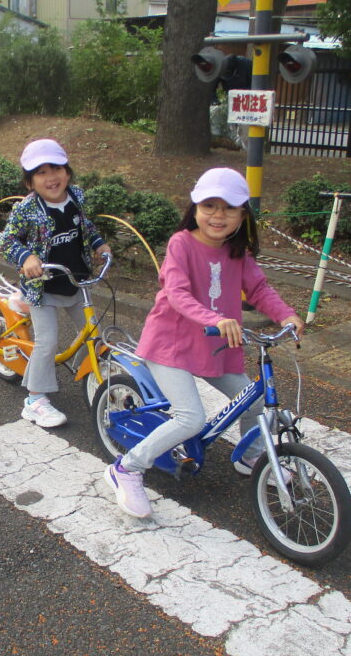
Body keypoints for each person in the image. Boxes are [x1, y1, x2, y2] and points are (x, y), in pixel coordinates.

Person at [103, 167, 304, 518]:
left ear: (243, 215)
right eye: (209, 205)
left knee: (254, 400)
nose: (218, 216)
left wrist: (286, 315)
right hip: (171, 345)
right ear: (195, 207)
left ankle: (251, 456)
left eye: (230, 208)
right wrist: (215, 319)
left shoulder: (237, 252)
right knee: (190, 419)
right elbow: (177, 292)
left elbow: (258, 289)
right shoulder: (181, 244)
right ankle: (127, 468)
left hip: (215, 346)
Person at [1, 138, 111, 427]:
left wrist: (99, 245)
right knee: (47, 342)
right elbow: (8, 240)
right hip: (43, 286)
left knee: (93, 334)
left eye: (57, 169)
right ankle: (34, 400)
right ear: (29, 182)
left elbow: (86, 226)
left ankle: (93, 373)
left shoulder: (76, 196)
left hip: (76, 281)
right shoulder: (27, 209)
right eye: (41, 172)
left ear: (68, 172)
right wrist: (26, 257)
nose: (51, 177)